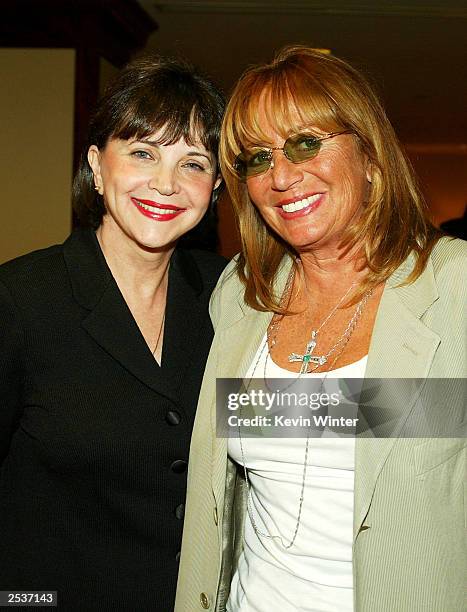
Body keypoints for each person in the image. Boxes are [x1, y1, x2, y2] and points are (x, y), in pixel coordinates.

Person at [175, 46, 466, 612]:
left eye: (306, 143)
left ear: (370, 154)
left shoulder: (453, 290)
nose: (281, 176)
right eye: (257, 158)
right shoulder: (241, 297)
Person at [0, 55, 227, 611]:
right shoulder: (21, 299)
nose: (166, 184)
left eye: (193, 163)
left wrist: (429, 410)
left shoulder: (229, 296)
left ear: (216, 186)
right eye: (143, 153)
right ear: (98, 167)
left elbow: (269, 417)